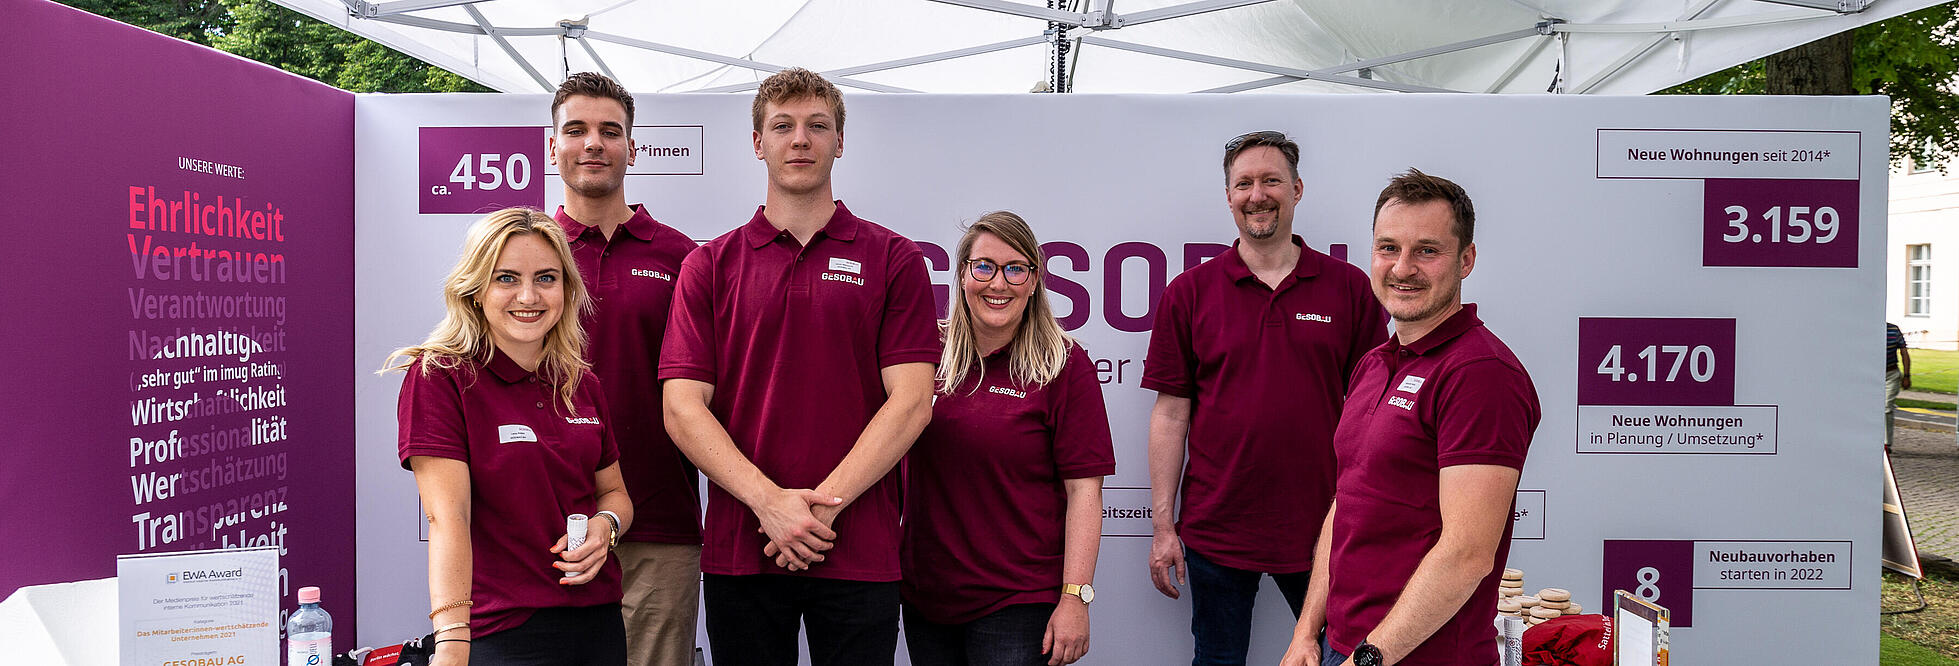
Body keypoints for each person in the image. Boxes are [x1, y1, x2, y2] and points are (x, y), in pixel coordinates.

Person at [659, 67, 938, 666]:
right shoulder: (709, 265)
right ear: (758, 143)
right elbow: (682, 409)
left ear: (841, 141)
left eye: (818, 126)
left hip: (858, 547)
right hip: (743, 546)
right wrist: (769, 504)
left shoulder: (895, 258)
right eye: (782, 126)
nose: (801, 140)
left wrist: (816, 511)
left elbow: (912, 400)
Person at [1141, 130, 1387, 665]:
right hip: (1216, 531)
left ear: (1297, 189)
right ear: (1228, 196)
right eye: (1244, 183)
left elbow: (1374, 413)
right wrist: (1164, 526)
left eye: (1271, 180)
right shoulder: (1189, 293)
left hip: (1324, 530)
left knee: (1340, 659)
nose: (1258, 194)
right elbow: (1170, 413)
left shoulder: (1349, 289)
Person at [1280, 169, 1541, 666]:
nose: (1402, 268)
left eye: (1427, 250)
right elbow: (1347, 505)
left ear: (1466, 260)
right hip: (1344, 647)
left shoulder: (1481, 374)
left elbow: (1467, 555)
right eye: (1387, 248)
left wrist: (1367, 659)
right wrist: (1306, 633)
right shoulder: (1375, 363)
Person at [386, 208, 632, 665]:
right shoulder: (441, 377)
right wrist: (453, 644)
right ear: (476, 289)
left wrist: (606, 527)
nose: (528, 295)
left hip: (598, 624)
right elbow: (447, 520)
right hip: (502, 632)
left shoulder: (580, 383)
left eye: (545, 278)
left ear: (566, 290)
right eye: (505, 278)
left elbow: (614, 493)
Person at [901, 211, 1115, 666]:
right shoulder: (924, 355)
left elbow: (1084, 493)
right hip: (926, 598)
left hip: (1018, 602)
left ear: (1035, 281)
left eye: (1016, 268)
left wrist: (1075, 597)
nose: (999, 283)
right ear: (962, 276)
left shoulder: (1064, 364)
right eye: (984, 267)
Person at [547, 71, 703, 666]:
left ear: (632, 149)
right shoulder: (524, 254)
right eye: (577, 130)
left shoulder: (682, 257)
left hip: (659, 522)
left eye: (610, 132)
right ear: (552, 146)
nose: (593, 144)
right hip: (543, 523)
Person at [1887, 322, 1912, 453]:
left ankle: (1886, 443)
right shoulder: (1868, 329)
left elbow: (1904, 353)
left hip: (1891, 374)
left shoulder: (1893, 330)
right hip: (1872, 375)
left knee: (1886, 407)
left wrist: (1907, 375)